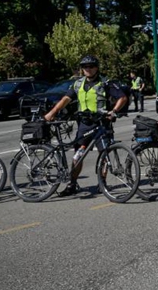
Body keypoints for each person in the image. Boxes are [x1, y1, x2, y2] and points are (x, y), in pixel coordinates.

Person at [44, 55, 128, 196]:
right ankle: (72, 184)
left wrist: (113, 111)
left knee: (104, 155)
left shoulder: (105, 82)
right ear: (82, 69)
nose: (88, 69)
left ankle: (102, 183)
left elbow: (123, 98)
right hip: (84, 125)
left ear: (97, 68)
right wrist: (53, 111)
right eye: (85, 67)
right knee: (78, 156)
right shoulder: (77, 84)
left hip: (102, 123)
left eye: (91, 66)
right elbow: (66, 98)